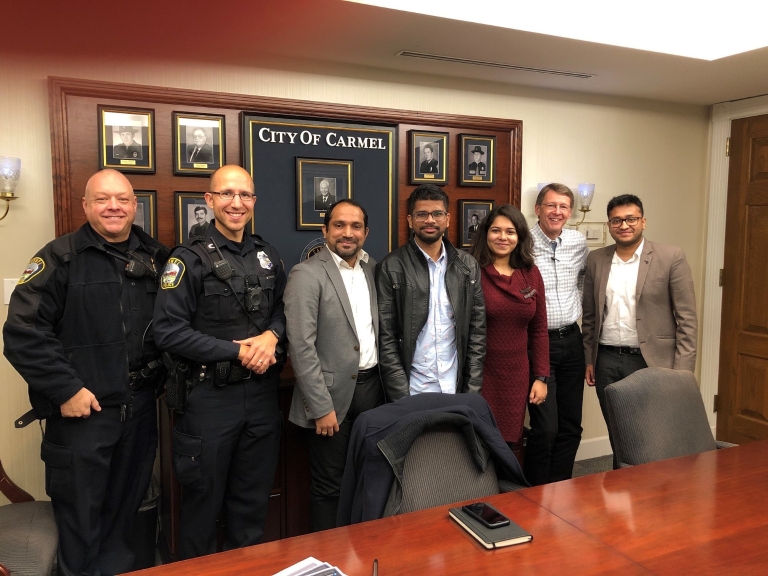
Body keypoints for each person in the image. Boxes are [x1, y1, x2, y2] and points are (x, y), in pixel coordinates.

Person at [3, 169, 169, 576]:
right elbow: (22, 333)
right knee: (81, 520)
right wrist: (66, 389)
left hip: (140, 408)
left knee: (125, 517)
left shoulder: (157, 258)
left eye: (122, 199)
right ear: (85, 206)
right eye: (102, 199)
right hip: (84, 415)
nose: (113, 207)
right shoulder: (58, 258)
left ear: (134, 206)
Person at [153, 165, 286, 558]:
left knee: (251, 507)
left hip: (262, 398)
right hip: (209, 399)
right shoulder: (187, 260)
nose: (236, 203)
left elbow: (282, 310)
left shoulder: (267, 254)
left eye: (245, 195)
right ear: (209, 201)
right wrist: (239, 351)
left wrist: (272, 335)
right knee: (201, 511)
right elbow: (168, 331)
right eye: (227, 194)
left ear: (254, 202)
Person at [285, 199, 384, 532]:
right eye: (339, 225)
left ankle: (361, 551)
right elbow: (300, 346)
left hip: (373, 392)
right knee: (330, 488)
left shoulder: (374, 269)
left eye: (356, 226)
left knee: (368, 479)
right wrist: (320, 406)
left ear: (366, 233)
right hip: (330, 400)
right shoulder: (306, 274)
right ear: (325, 231)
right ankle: (329, 561)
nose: (348, 233)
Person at [582, 194, 697, 466]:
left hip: (653, 361)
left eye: (631, 219)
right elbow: (589, 315)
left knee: (654, 432)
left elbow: (687, 319)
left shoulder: (670, 257)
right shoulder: (597, 259)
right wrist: (589, 358)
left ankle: (656, 496)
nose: (624, 225)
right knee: (618, 431)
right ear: (609, 224)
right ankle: (621, 489)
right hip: (607, 359)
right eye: (617, 220)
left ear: (643, 221)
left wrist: (682, 371)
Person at [376, 183, 486, 401]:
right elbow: (386, 339)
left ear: (447, 218)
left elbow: (477, 334)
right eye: (421, 214)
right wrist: (401, 398)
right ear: (409, 220)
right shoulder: (391, 266)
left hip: (454, 386)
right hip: (412, 389)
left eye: (437, 213)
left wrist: (471, 393)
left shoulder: (468, 266)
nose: (430, 220)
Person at [469, 204, 548, 454]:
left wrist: (541, 377)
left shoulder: (530, 274)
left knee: (511, 440)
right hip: (480, 372)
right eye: (496, 230)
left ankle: (508, 492)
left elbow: (539, 329)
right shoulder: (471, 271)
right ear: (485, 234)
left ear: (520, 236)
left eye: (510, 231)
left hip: (517, 372)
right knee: (480, 438)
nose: (503, 237)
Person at [526, 183, 589, 485]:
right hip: (539, 343)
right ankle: (537, 491)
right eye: (551, 205)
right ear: (537, 209)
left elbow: (582, 281)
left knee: (571, 425)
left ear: (571, 212)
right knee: (545, 427)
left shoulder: (578, 242)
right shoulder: (522, 242)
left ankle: (561, 487)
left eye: (563, 207)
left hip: (572, 341)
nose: (557, 212)